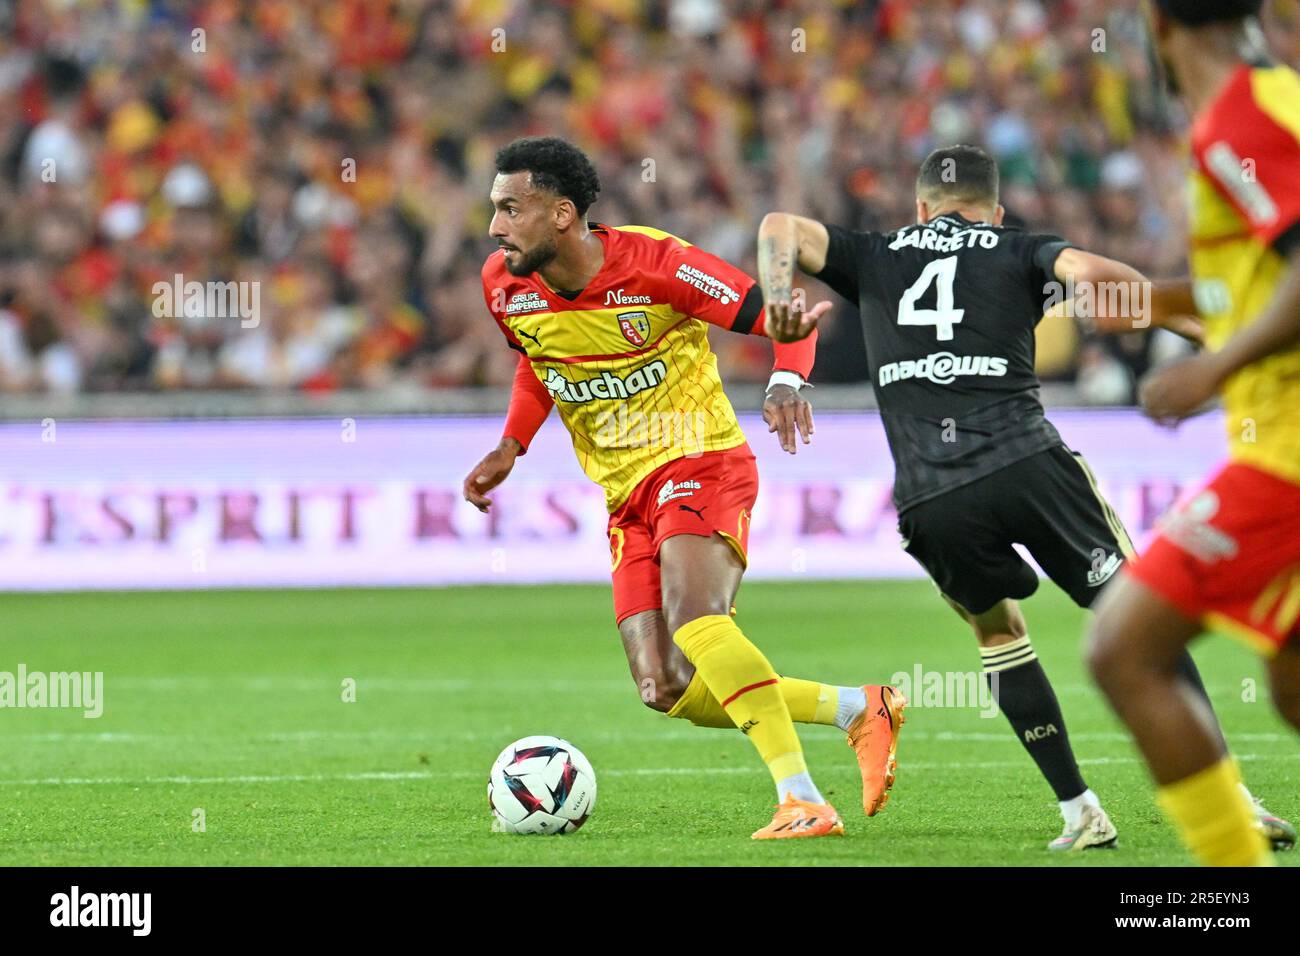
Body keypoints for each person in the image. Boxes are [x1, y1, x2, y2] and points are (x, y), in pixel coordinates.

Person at [758, 140, 1291, 851]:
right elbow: (1097, 278)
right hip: (1027, 462)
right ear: (996, 211)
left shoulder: (874, 253)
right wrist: (1193, 325)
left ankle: (1078, 811)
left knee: (1000, 636)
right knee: (1141, 615)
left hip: (932, 491)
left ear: (919, 209)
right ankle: (1233, 800)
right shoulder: (1023, 248)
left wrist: (780, 302)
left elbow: (777, 229)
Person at [462, 136, 905, 839]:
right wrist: (511, 445)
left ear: (562, 214)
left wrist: (787, 378)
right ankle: (859, 709)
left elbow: (779, 318)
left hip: (699, 462)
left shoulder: (657, 264)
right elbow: (534, 359)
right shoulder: (502, 283)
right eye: (495, 210)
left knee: (698, 619)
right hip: (624, 494)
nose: (495, 227)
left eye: (510, 209)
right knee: (663, 685)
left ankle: (801, 799)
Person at [1088, 0, 1300, 867]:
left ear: (1158, 28)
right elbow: (1251, 283)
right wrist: (1157, 298)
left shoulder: (1242, 118)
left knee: (1123, 647)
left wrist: (1208, 372)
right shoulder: (1273, 100)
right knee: (1292, 689)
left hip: (1287, 451)